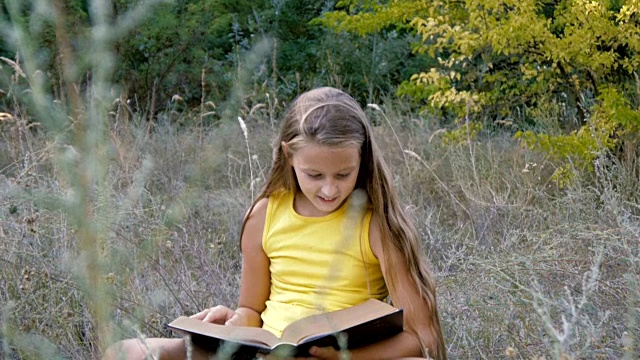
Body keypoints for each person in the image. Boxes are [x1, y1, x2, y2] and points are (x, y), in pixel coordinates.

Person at [103, 87, 446, 360]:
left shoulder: (376, 225)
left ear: (362, 158)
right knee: (126, 352)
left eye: (344, 174)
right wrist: (232, 324)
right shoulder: (265, 214)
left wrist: (347, 357)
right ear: (288, 155)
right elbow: (252, 308)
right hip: (266, 355)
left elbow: (423, 337)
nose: (329, 189)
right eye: (314, 175)